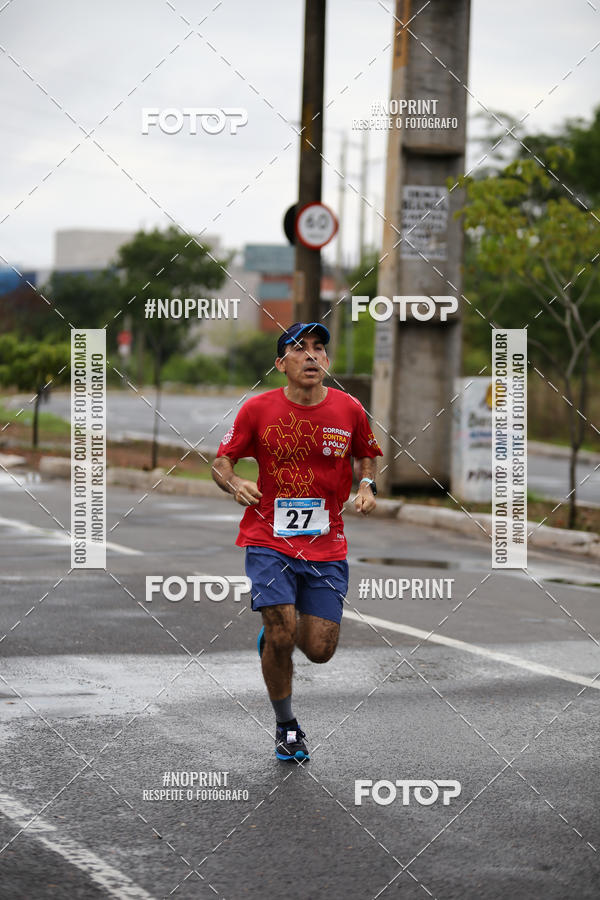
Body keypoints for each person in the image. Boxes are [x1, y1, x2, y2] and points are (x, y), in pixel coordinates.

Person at [212, 322, 382, 762]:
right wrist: (232, 483)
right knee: (283, 630)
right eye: (299, 348)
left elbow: (367, 455)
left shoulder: (349, 410)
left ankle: (274, 643)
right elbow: (221, 461)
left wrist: (368, 487)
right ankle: (287, 726)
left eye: (318, 348)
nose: (311, 355)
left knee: (320, 650)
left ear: (326, 360)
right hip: (269, 537)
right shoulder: (257, 410)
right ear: (280, 363)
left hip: (326, 545)